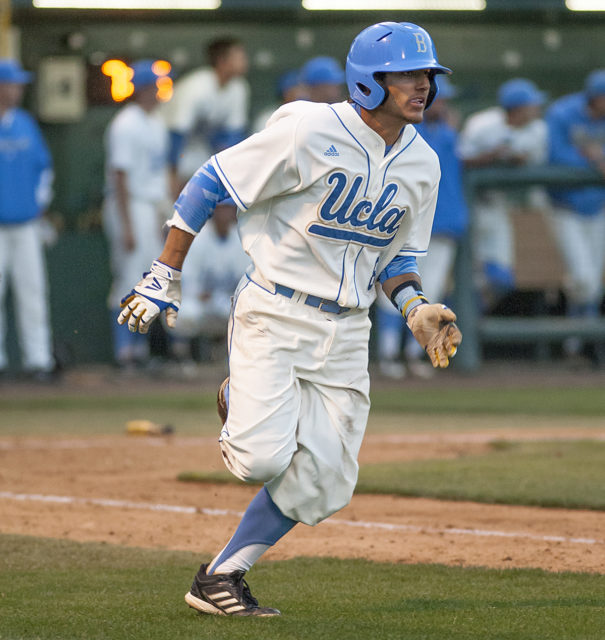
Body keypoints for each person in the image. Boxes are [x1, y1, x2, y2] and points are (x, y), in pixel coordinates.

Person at [118, 22, 462, 616]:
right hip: (275, 311)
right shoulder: (309, 128)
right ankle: (238, 395)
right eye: (407, 74)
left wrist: (415, 307)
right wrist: (164, 272)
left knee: (329, 483)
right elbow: (211, 181)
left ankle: (220, 576)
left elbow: (399, 258)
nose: (422, 85)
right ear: (368, 82)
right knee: (260, 459)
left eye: (427, 74)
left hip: (349, 329)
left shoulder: (423, 164)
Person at [375, 76, 469, 379]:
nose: (440, 104)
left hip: (444, 227)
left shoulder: (449, 134)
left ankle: (416, 354)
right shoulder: (408, 134)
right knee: (397, 294)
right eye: (437, 100)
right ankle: (389, 354)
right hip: (408, 227)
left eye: (443, 100)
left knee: (431, 295)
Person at [102, 59, 171, 370]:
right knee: (129, 278)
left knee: (149, 280)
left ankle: (139, 350)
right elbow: (120, 177)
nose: (156, 91)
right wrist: (127, 225)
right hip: (127, 205)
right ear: (142, 89)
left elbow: (160, 176)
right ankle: (123, 352)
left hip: (150, 206)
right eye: (152, 86)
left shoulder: (157, 123)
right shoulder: (125, 123)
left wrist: (163, 216)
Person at [458, 78, 548, 309]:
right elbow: (459, 161)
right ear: (518, 108)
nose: (536, 109)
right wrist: (492, 156)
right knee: (469, 276)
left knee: (502, 280)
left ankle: (464, 319)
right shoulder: (482, 125)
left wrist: (517, 161)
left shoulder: (538, 130)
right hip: (471, 206)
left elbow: (537, 171)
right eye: (532, 104)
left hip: (500, 206)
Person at [0, 59, 55, 381]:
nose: (17, 90)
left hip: (25, 224)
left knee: (32, 291)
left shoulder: (25, 123)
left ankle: (39, 360)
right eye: (12, 84)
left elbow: (44, 169)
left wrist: (40, 204)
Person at [545, 69, 605, 360]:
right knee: (583, 277)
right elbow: (554, 155)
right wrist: (592, 160)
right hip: (566, 207)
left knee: (590, 280)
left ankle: (578, 346)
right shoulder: (562, 113)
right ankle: (579, 342)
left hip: (599, 206)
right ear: (595, 98)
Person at [162, 37, 249, 197]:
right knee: (171, 198)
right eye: (239, 56)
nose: (245, 60)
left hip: (198, 144)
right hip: (165, 142)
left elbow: (233, 136)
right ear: (222, 60)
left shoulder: (239, 87)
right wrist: (172, 175)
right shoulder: (197, 87)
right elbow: (177, 134)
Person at [170, 198, 250, 364]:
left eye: (228, 208)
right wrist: (200, 294)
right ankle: (184, 356)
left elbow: (247, 281)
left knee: (246, 311)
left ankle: (232, 358)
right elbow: (187, 281)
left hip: (227, 301)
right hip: (201, 302)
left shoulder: (241, 238)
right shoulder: (198, 239)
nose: (224, 213)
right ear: (213, 211)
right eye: (221, 209)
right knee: (185, 313)